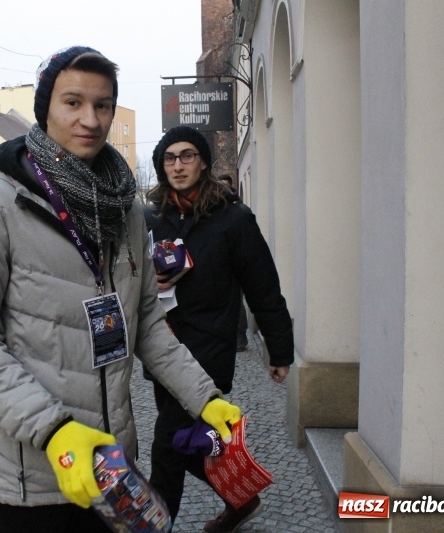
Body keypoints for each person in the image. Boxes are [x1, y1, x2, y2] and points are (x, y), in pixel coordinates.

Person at [0, 47, 242, 533]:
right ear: (46, 109)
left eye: (103, 105)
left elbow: (145, 323)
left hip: (115, 467)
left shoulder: (123, 211)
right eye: (73, 102)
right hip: (36, 476)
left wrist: (203, 397)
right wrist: (53, 431)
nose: (91, 119)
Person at [145, 126, 294, 533]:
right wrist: (148, 282)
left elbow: (263, 286)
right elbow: (129, 276)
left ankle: (152, 525)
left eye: (187, 156)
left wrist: (280, 349)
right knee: (182, 440)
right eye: (170, 158)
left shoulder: (233, 219)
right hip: (163, 346)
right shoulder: (151, 218)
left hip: (208, 346)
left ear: (204, 162)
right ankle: (241, 498)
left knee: (166, 446)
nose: (178, 165)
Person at [217, 174, 249, 352]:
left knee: (236, 301)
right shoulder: (213, 211)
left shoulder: (241, 211)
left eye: (225, 187)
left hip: (238, 264)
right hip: (220, 265)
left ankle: (240, 335)